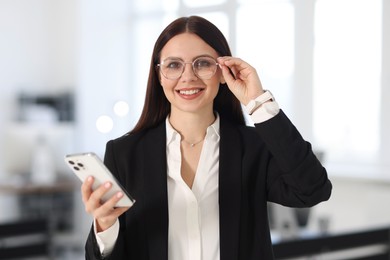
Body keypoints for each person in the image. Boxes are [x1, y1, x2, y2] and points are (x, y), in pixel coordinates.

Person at [81, 15, 332, 260]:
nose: (188, 77)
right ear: (159, 76)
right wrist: (105, 225)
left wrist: (258, 102)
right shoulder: (124, 153)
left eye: (202, 63)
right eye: (173, 65)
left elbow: (313, 190)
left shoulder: (254, 148)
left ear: (223, 72)